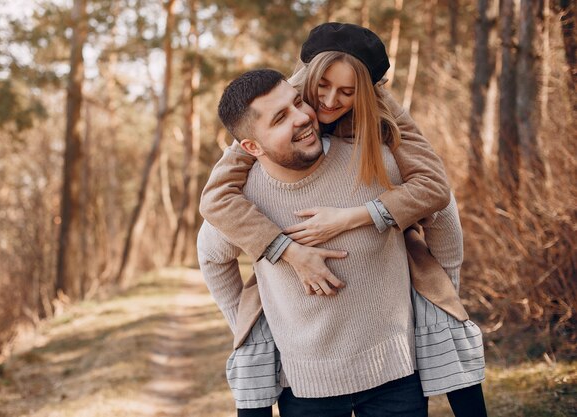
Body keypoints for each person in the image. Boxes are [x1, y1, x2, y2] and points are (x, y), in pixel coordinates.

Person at [200, 23, 487, 417]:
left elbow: (437, 194)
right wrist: (283, 260)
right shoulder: (273, 118)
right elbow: (214, 204)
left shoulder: (380, 126)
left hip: (393, 368)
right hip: (308, 379)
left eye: (347, 93)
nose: (324, 105)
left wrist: (362, 218)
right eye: (319, 89)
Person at [199, 68, 427, 416]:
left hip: (396, 376)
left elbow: (440, 209)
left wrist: (442, 305)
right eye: (280, 118)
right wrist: (249, 328)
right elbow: (212, 257)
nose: (303, 117)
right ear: (250, 147)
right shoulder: (244, 199)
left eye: (297, 102)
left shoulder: (372, 159)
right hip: (307, 390)